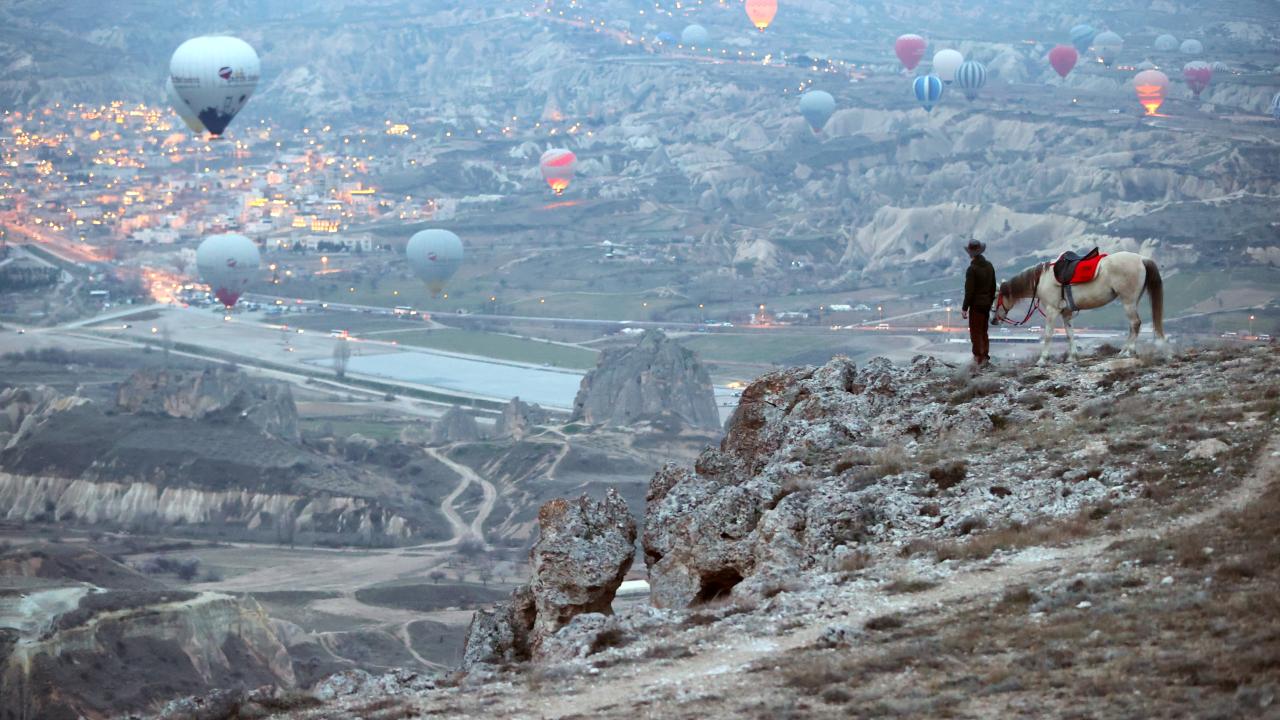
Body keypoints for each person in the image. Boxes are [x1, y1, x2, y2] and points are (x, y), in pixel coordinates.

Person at [961, 239, 996, 366]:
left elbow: (969, 291)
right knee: (983, 331)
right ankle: (985, 356)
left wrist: (965, 308)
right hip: (986, 304)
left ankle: (978, 358)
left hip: (976, 305)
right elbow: (993, 287)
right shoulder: (989, 266)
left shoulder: (972, 269)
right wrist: (990, 301)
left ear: (970, 253)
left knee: (975, 332)